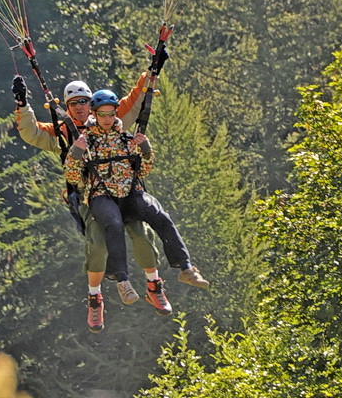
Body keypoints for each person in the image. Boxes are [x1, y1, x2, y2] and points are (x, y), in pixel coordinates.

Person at [12, 71, 164, 333]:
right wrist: (22, 105)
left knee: (141, 234)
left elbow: (135, 100)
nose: (79, 107)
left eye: (84, 101)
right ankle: (95, 298)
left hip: (123, 190)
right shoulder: (62, 132)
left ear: (91, 104)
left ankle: (154, 285)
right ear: (68, 107)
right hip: (89, 196)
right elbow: (31, 132)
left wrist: (151, 72)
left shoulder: (110, 118)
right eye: (73, 104)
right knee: (98, 243)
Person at [65, 89, 208, 311]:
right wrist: (76, 152)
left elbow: (143, 171)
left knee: (159, 214)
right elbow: (73, 177)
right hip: (102, 196)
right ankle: (122, 281)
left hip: (130, 193)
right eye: (102, 114)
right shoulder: (87, 142)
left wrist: (146, 150)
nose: (107, 119)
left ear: (116, 114)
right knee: (113, 224)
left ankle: (186, 267)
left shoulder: (127, 139)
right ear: (94, 115)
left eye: (111, 114)